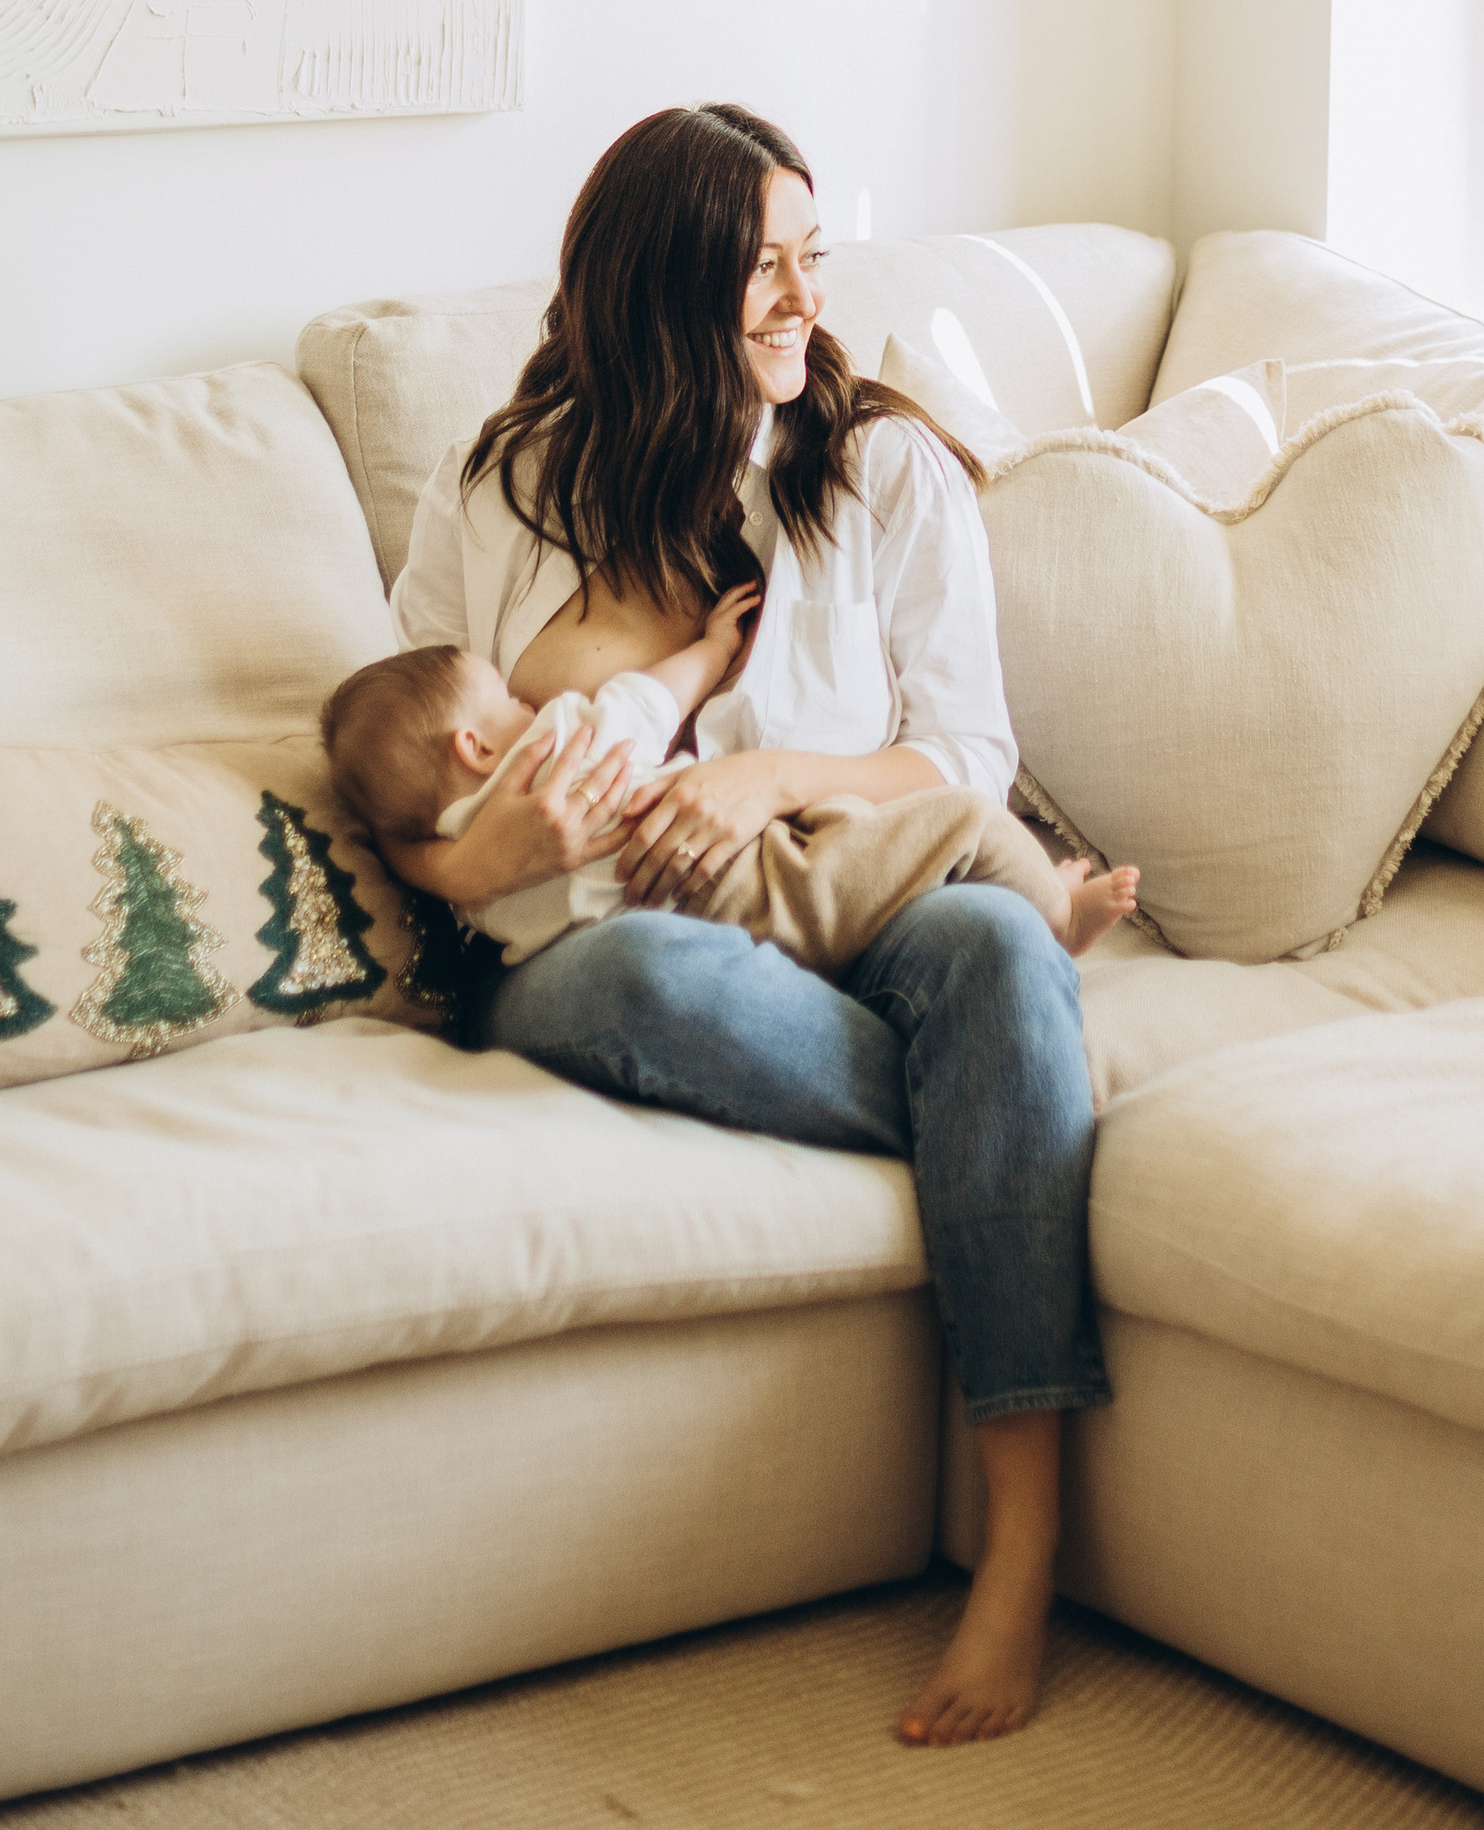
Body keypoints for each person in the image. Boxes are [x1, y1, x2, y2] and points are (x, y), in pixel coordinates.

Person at [382, 101, 1109, 1747]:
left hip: (863, 896)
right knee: (628, 975)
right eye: (759, 271)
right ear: (656, 294)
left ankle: (1023, 1545)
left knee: (994, 949)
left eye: (811, 259)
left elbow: (967, 757)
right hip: (614, 941)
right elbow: (419, 754)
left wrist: (766, 771)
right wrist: (470, 862)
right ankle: (1008, 1117)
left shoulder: (888, 470)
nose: (801, 301)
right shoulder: (502, 489)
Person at [323, 628, 1139, 972]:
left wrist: (467, 874)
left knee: (858, 830)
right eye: (506, 697)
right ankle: (1056, 921)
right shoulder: (554, 748)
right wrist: (712, 650)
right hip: (738, 883)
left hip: (672, 920)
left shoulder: (485, 909)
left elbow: (392, 818)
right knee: (964, 819)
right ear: (476, 746)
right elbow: (642, 704)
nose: (527, 702)